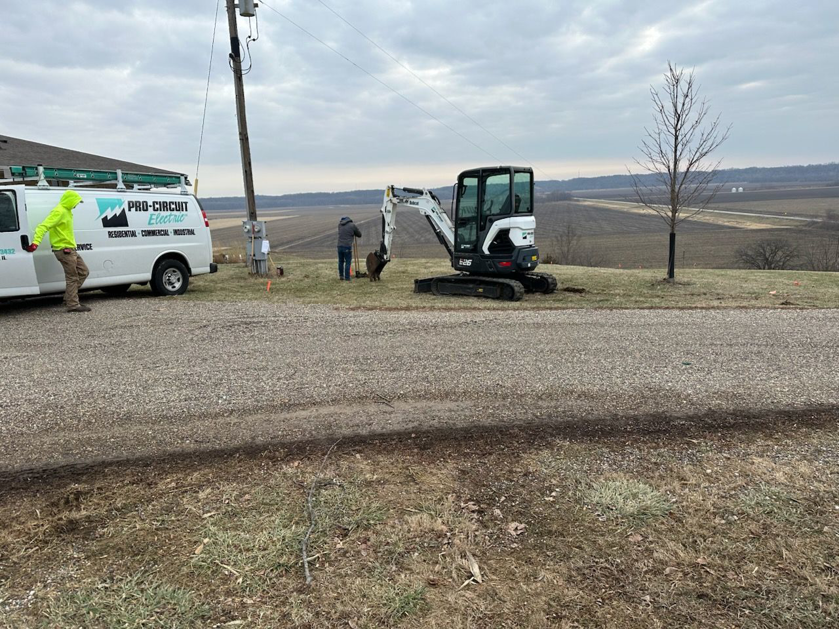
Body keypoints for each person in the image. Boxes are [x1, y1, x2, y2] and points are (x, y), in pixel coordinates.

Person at [25, 190, 91, 312]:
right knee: (72, 277)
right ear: (69, 200)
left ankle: (69, 297)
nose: (76, 205)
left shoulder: (67, 211)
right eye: (76, 202)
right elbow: (42, 226)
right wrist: (35, 243)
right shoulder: (59, 211)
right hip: (64, 250)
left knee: (84, 271)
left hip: (70, 249)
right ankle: (73, 305)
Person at [337, 216, 361, 281]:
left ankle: (341, 276)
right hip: (347, 246)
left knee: (340, 261)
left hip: (339, 246)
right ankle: (347, 277)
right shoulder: (352, 225)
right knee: (347, 262)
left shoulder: (339, 225)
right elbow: (359, 234)